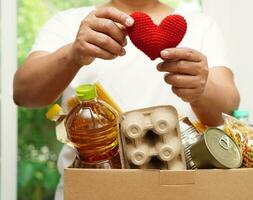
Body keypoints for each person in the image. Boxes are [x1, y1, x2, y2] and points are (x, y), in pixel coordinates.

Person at [13, 0, 240, 199]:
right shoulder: (70, 23)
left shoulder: (200, 26)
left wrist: (201, 87)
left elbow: (228, 109)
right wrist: (73, 54)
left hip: (179, 192)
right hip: (90, 191)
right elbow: (24, 94)